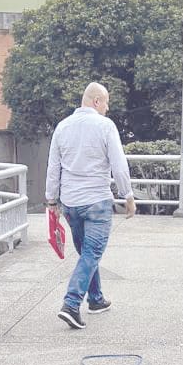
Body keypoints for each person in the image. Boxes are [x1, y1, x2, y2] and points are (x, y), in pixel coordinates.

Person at [45, 81, 136, 329]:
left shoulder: (62, 127)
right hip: (96, 201)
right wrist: (128, 196)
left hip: (71, 204)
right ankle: (71, 304)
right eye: (105, 102)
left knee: (87, 251)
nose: (107, 107)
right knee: (91, 253)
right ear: (96, 101)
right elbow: (119, 164)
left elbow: (53, 168)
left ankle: (95, 300)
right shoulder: (105, 126)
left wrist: (51, 200)